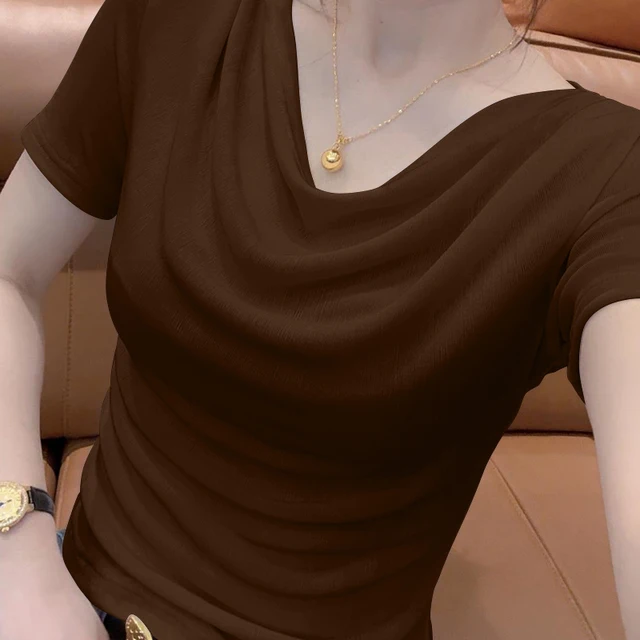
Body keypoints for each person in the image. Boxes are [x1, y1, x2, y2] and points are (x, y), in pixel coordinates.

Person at [1, 0, 639, 638]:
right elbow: (8, 270)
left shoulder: (607, 177)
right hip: (69, 601)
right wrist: (21, 554)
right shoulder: (179, 18)